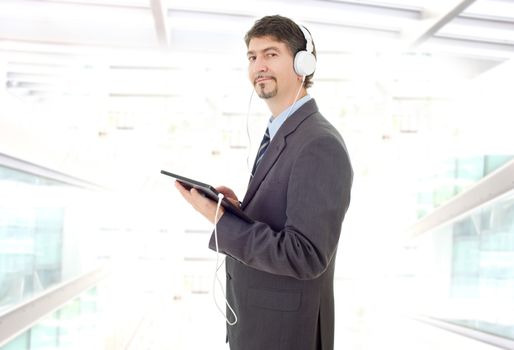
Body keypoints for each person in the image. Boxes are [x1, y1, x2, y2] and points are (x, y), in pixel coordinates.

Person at [175, 15, 353, 350]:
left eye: (271, 54)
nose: (259, 66)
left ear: (304, 63)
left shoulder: (318, 144)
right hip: (260, 328)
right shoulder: (281, 132)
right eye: (252, 56)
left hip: (285, 336)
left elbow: (305, 255)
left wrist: (222, 221)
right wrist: (240, 211)